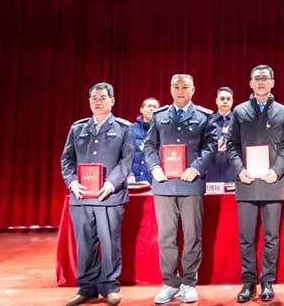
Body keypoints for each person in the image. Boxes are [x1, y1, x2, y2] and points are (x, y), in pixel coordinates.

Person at [144, 74, 217, 304]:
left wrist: (196, 168)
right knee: (166, 237)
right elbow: (149, 145)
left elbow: (211, 145)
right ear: (170, 89)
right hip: (164, 184)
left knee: (192, 236)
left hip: (191, 184)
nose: (180, 90)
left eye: (185, 87)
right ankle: (169, 283)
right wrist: (154, 167)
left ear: (193, 89)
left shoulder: (204, 116)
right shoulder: (159, 116)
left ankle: (188, 283)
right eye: (176, 86)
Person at [60, 82, 134, 306]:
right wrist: (72, 182)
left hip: (109, 196)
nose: (97, 101)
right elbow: (66, 160)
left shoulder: (123, 128)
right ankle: (87, 289)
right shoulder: (77, 128)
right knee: (84, 244)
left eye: (102, 97)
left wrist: (112, 183)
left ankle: (110, 288)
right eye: (93, 98)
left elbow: (126, 160)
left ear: (112, 101)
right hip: (81, 197)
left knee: (110, 244)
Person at [226, 65, 284, 303]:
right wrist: (240, 169)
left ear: (273, 82)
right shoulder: (240, 111)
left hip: (272, 182)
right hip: (246, 182)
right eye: (257, 78)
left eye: (265, 78)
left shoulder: (283, 112)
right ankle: (248, 282)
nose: (262, 82)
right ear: (250, 83)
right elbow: (232, 144)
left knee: (271, 237)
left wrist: (277, 171)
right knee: (246, 236)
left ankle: (267, 281)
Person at [205, 87, 235, 182]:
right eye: (222, 99)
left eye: (228, 99)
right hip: (212, 169)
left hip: (232, 169)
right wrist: (214, 147)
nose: (225, 101)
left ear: (232, 101)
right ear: (216, 101)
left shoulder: (238, 121)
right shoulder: (208, 121)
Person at [129, 97, 160, 183]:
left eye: (155, 107)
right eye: (149, 106)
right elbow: (124, 155)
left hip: (156, 180)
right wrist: (129, 173)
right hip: (134, 179)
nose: (152, 109)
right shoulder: (130, 129)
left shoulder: (162, 130)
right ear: (141, 110)